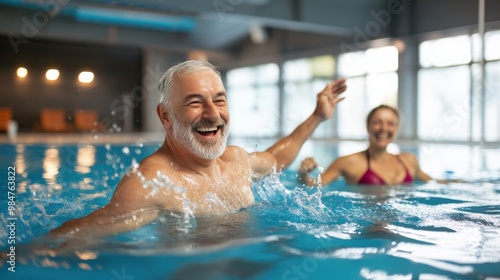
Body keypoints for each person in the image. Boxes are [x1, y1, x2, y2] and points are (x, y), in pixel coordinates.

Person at [49, 60, 347, 241]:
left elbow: (277, 159)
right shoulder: (150, 185)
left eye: (219, 100)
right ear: (165, 116)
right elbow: (77, 235)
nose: (212, 113)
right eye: (194, 102)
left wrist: (317, 117)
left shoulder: (235, 160)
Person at [299, 105, 438, 186]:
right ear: (368, 126)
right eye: (377, 122)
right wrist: (303, 174)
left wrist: (458, 182)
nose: (384, 128)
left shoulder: (409, 160)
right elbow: (314, 185)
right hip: (369, 225)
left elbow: (433, 182)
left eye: (390, 123)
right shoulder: (348, 162)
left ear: (396, 129)